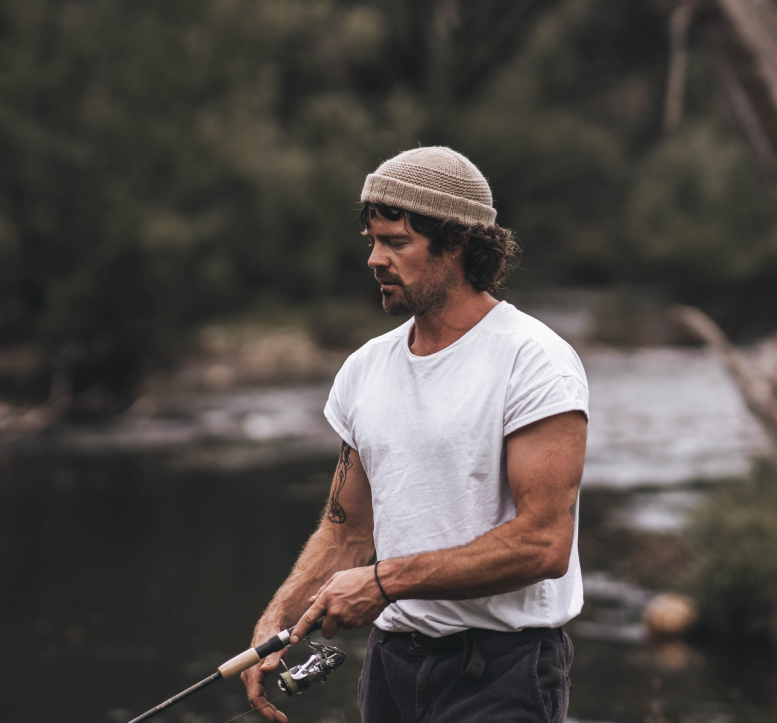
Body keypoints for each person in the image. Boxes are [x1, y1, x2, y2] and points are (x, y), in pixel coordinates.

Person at [242, 146, 589, 723]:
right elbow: (346, 532)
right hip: (392, 670)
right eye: (372, 241)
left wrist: (384, 582)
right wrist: (274, 625)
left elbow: (544, 544)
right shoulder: (364, 368)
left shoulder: (534, 361)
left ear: (457, 243)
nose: (376, 259)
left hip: (503, 671)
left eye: (396, 243)